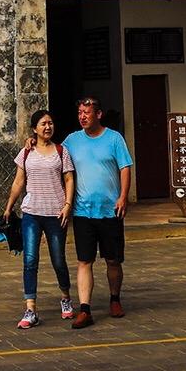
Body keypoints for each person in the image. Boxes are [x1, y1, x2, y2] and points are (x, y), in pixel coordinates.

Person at [63, 95, 132, 328]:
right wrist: (32, 141)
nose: (83, 116)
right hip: (83, 212)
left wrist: (123, 197)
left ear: (98, 114)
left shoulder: (114, 139)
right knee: (84, 260)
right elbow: (54, 155)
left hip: (109, 210)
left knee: (112, 260)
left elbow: (125, 167)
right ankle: (85, 309)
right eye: (80, 112)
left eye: (87, 112)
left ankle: (115, 298)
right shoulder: (72, 141)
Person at [1, 109, 75, 328]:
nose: (47, 127)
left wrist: (67, 205)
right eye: (43, 124)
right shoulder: (26, 153)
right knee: (30, 260)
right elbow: (18, 182)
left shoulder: (62, 151)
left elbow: (69, 178)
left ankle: (66, 298)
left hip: (55, 213)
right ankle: (30, 308)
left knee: (58, 260)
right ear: (34, 128)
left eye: (50, 123)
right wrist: (9, 207)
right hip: (31, 213)